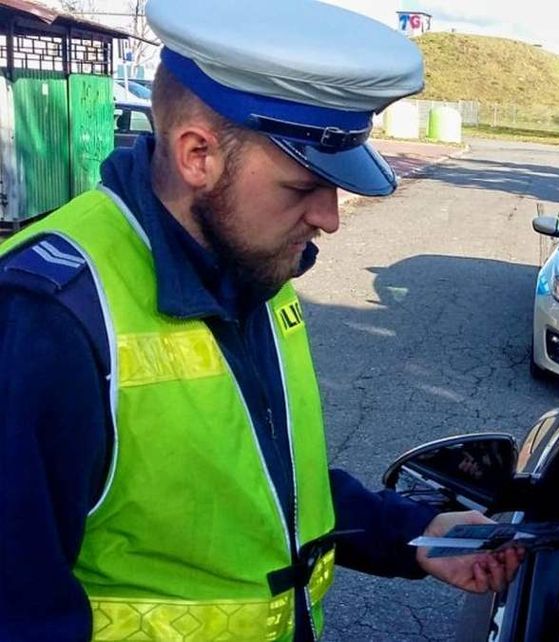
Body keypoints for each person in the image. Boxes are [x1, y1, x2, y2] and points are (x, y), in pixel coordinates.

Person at [0, 1, 520, 640]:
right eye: (302, 188)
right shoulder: (46, 317)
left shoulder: (254, 269)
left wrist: (412, 534)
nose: (329, 218)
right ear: (198, 155)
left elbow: (263, 485)